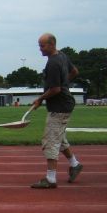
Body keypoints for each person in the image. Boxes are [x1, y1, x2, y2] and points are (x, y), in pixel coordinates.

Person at [31, 33, 83, 189]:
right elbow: (75, 72)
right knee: (59, 136)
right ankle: (75, 164)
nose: (40, 49)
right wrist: (65, 82)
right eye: (39, 45)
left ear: (52, 44)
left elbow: (55, 89)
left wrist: (40, 99)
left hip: (59, 106)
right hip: (64, 104)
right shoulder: (62, 56)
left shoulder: (53, 63)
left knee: (51, 140)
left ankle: (51, 178)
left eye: (42, 46)